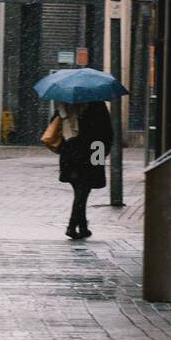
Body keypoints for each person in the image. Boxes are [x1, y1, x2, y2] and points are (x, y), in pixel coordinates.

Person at [56, 101, 112, 239]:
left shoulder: (65, 105)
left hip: (70, 153)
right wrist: (102, 154)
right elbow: (106, 131)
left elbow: (56, 126)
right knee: (83, 191)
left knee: (80, 191)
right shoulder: (97, 104)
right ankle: (72, 225)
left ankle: (82, 226)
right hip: (92, 151)